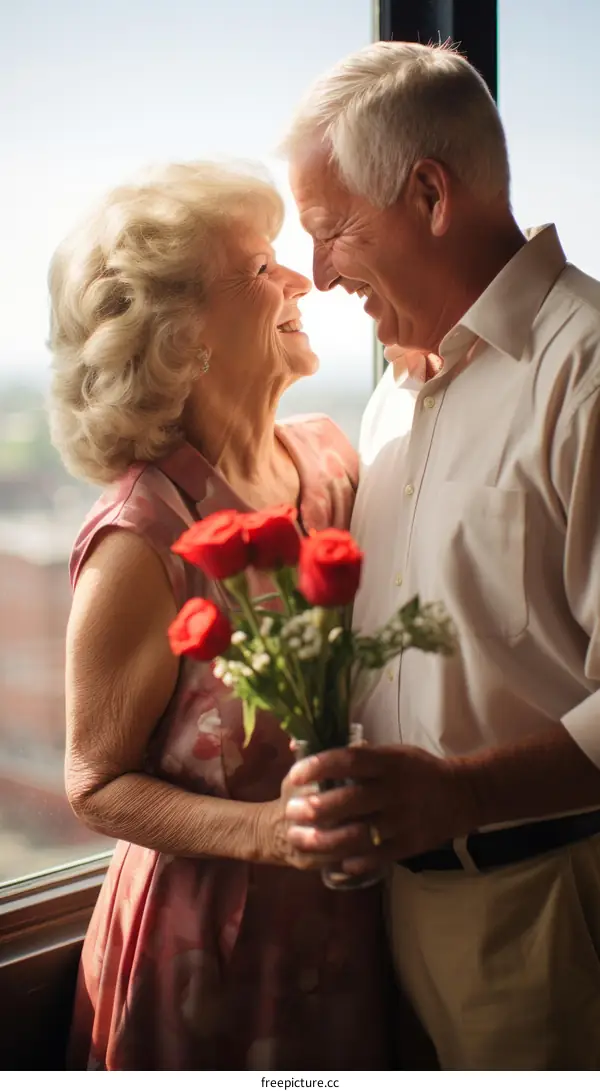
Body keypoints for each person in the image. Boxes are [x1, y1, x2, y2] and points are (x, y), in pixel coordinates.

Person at [283, 40, 600, 1070]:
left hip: (551, 916)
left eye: (333, 231)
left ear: (428, 193)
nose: (321, 273)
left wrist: (459, 796)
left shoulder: (584, 374)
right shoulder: (394, 388)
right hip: (393, 922)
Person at [49, 161, 396, 1071]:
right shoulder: (142, 538)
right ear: (183, 340)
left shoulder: (332, 461)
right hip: (209, 959)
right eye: (258, 269)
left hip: (350, 929)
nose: (298, 280)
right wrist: (266, 833)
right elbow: (94, 782)